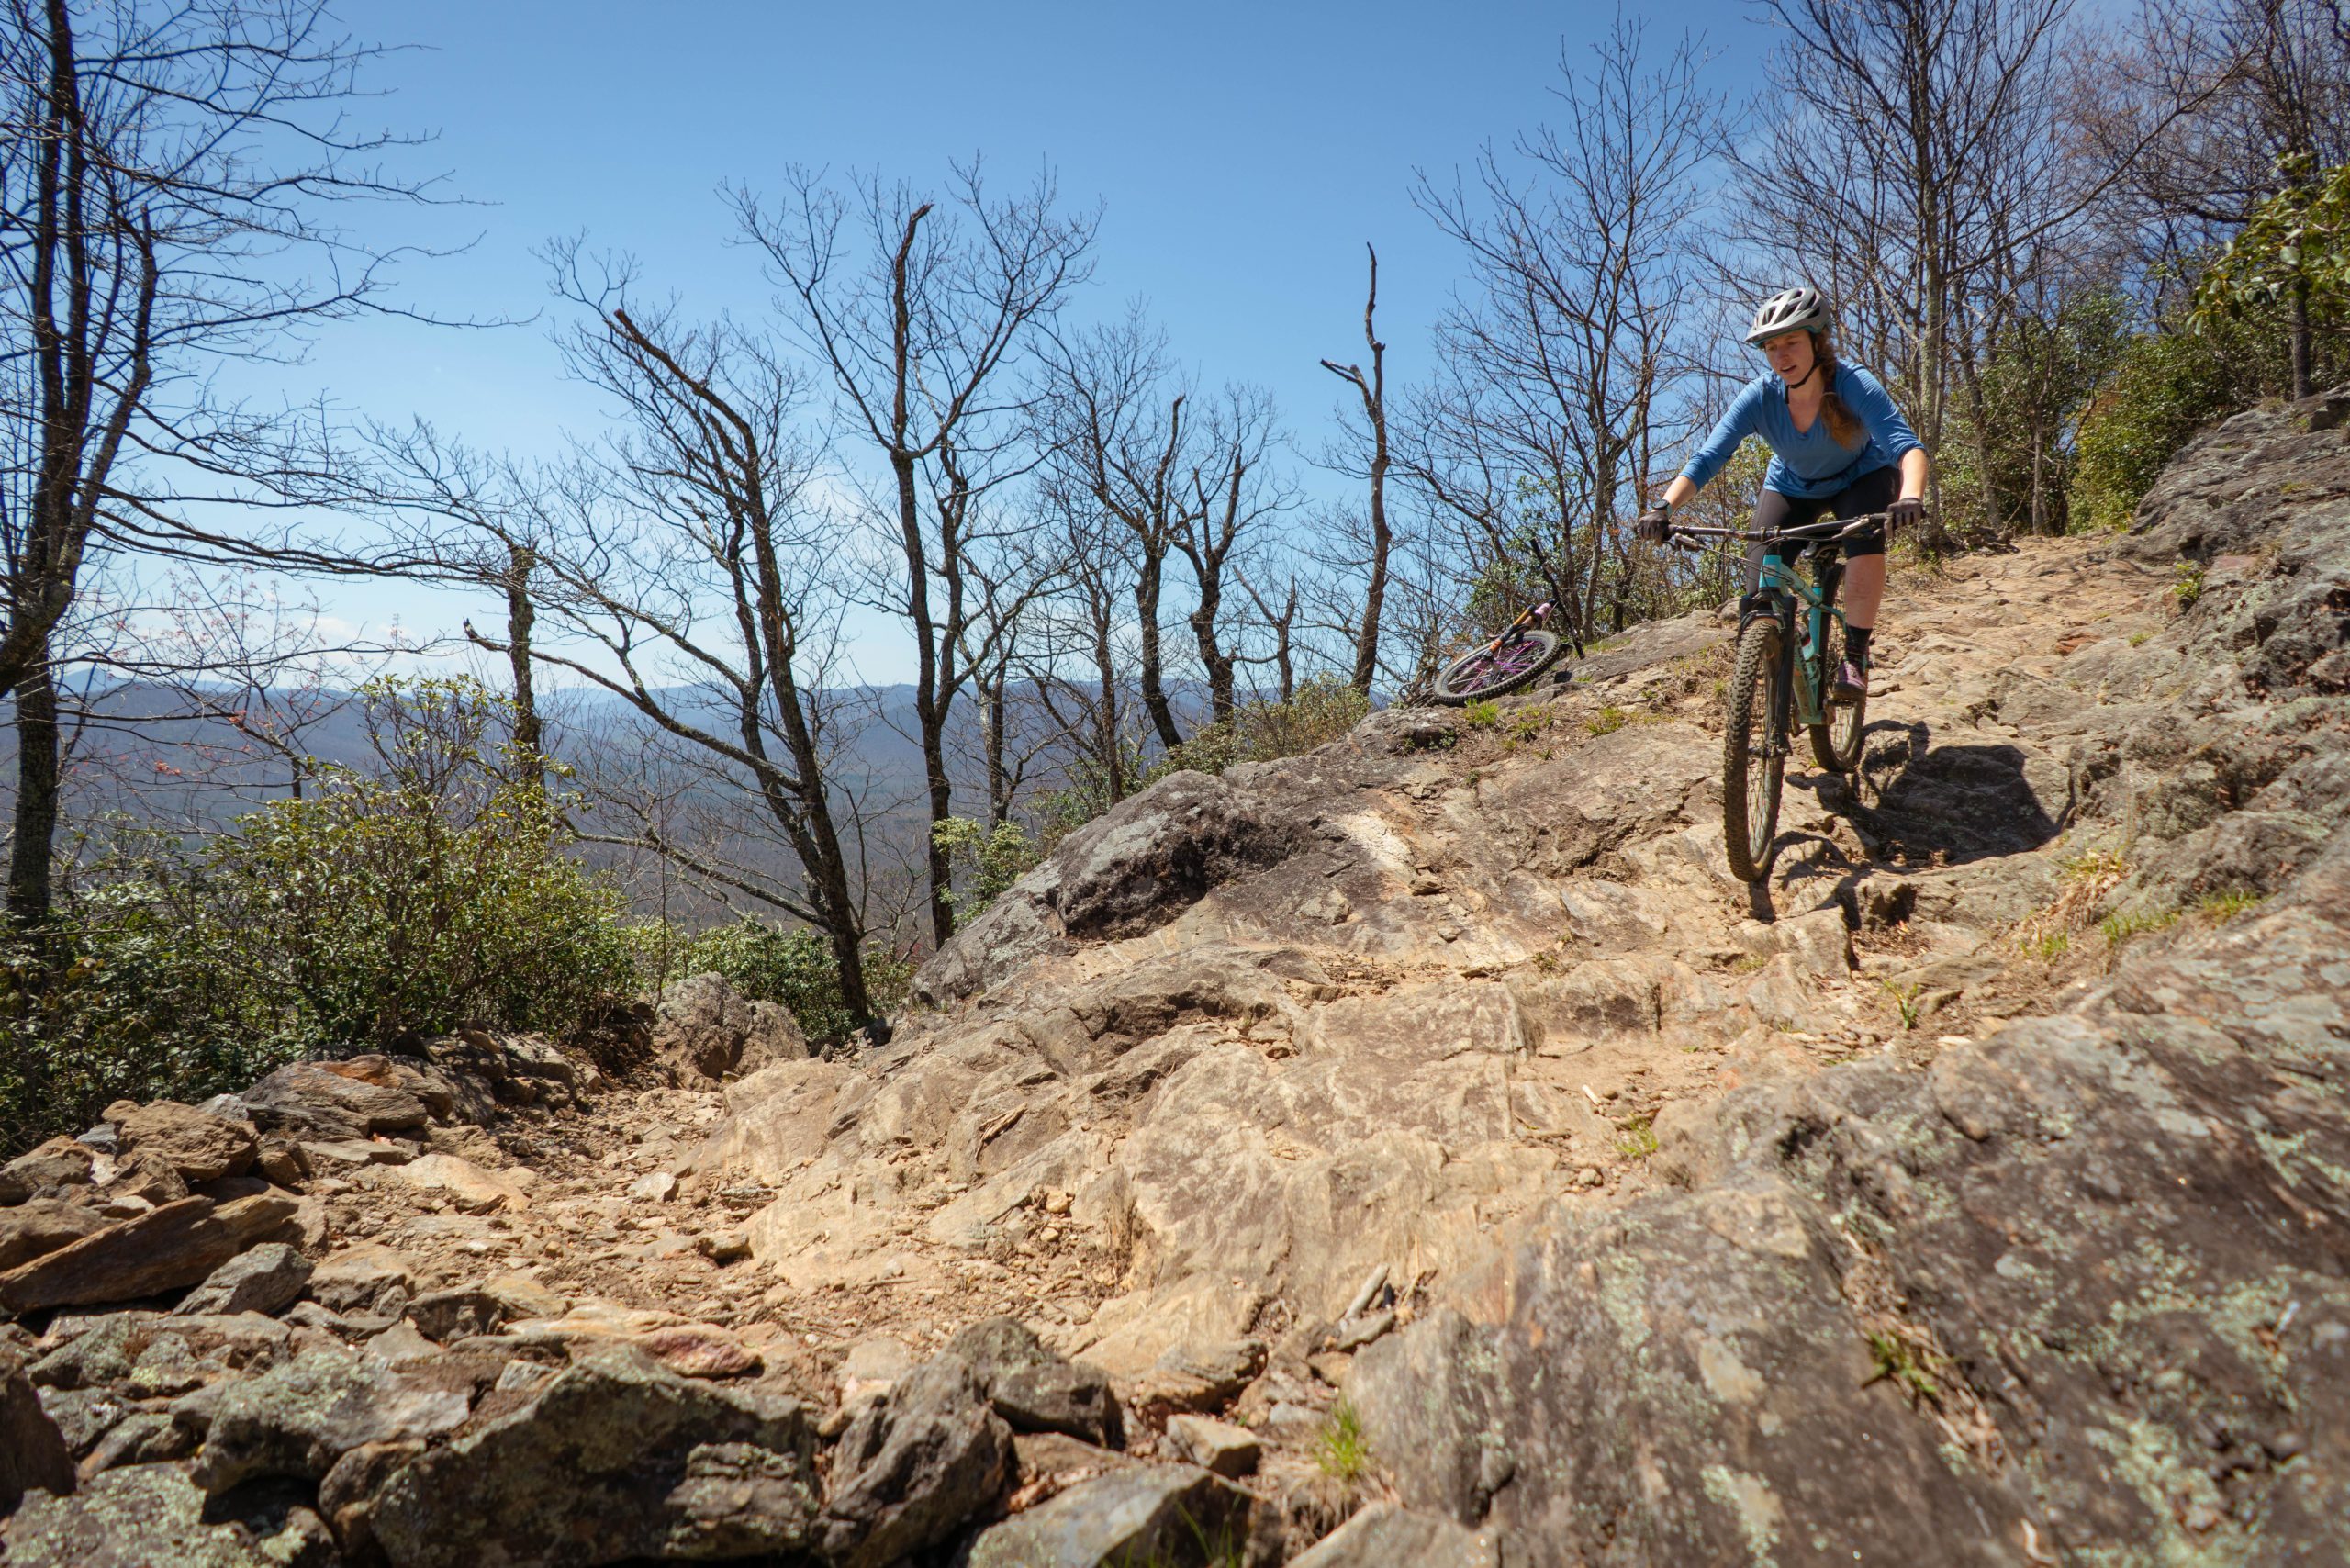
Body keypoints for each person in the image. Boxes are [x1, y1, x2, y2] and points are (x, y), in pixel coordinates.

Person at [1636, 287, 1930, 700]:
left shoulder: (1852, 383)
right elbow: (1709, 456)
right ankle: (1780, 670)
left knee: (1864, 545)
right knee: (1758, 596)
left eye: (1791, 342)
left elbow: (1906, 447)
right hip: (1792, 487)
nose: (1781, 356)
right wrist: (1663, 506)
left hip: (1860, 477)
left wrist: (1912, 497)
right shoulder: (1759, 396)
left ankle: (1855, 655)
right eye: (1771, 347)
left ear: (1817, 340)